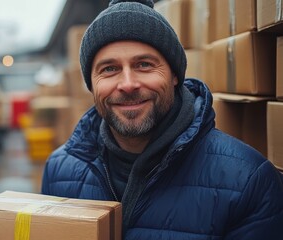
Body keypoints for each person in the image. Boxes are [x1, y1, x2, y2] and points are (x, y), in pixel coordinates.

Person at [41, 0, 283, 239]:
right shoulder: (59, 171)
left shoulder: (249, 181)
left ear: (174, 75)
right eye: (109, 69)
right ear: (92, 85)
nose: (127, 84)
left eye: (144, 64)